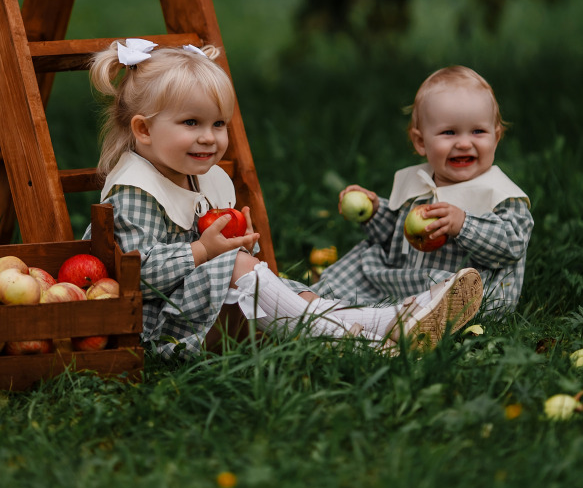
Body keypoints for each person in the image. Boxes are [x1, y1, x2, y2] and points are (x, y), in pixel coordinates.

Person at [84, 40, 484, 359]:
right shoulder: (136, 190)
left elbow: (223, 267)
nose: (210, 137)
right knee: (249, 271)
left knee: (295, 292)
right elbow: (135, 274)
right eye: (192, 123)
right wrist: (205, 251)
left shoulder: (199, 178)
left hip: (201, 311)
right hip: (155, 326)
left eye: (219, 123)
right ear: (144, 130)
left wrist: (236, 246)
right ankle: (363, 343)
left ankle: (391, 320)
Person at [315, 65, 533, 315]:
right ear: (420, 142)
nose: (463, 143)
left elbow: (512, 245)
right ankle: (316, 301)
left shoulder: (499, 194)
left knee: (451, 296)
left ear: (496, 136)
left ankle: (369, 316)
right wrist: (373, 212)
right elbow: (396, 239)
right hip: (406, 283)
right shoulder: (419, 184)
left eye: (478, 131)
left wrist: (464, 224)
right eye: (449, 132)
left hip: (457, 295)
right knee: (367, 255)